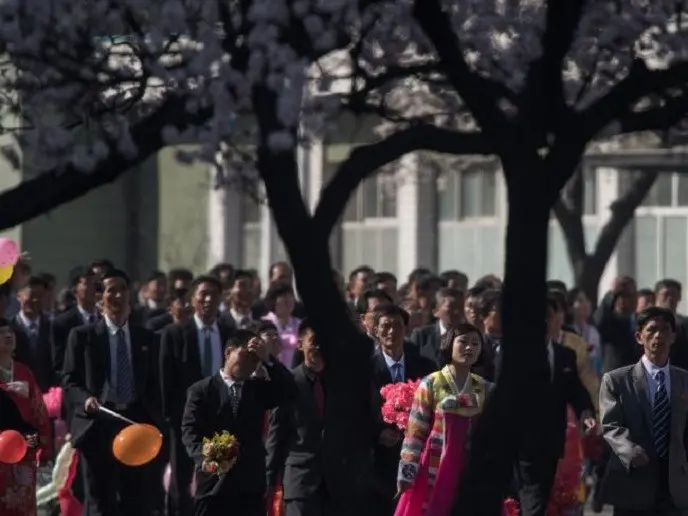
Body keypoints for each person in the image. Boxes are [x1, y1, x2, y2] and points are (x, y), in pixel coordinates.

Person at [62, 268, 161, 516]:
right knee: (99, 500)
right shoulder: (82, 336)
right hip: (98, 424)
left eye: (123, 289)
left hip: (135, 424)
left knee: (137, 499)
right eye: (110, 290)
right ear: (99, 298)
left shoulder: (146, 339)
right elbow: (70, 380)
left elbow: (155, 384)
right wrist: (86, 400)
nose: (117, 295)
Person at [181, 329, 297, 516]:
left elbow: (289, 391)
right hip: (213, 485)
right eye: (247, 355)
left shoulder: (256, 390)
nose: (251, 363)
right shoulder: (202, 390)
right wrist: (205, 457)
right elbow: (189, 431)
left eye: (255, 359)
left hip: (249, 485)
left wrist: (268, 359)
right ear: (229, 352)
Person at [599, 306, 688, 515]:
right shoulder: (617, 380)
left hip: (675, 483)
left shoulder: (684, 380)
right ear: (640, 337)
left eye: (665, 329)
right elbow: (611, 425)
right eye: (652, 330)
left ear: (674, 336)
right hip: (634, 480)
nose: (659, 335)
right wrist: (630, 451)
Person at [394, 323, 490, 516]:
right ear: (449, 344)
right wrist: (407, 471)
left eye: (475, 343)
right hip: (434, 466)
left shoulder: (485, 388)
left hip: (471, 467)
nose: (469, 347)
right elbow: (415, 432)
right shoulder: (431, 383)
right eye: (463, 342)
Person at [160, 274, 235, 516]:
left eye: (214, 294)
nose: (208, 299)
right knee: (181, 480)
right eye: (203, 294)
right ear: (192, 299)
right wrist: (173, 419)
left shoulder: (228, 332)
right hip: (186, 419)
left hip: (221, 417)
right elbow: (166, 382)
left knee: (219, 478)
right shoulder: (174, 334)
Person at [515, 295, 597, 516]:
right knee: (529, 498)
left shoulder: (565, 355)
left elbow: (577, 392)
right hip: (518, 440)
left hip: (551, 440)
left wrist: (587, 413)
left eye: (548, 317)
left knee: (539, 495)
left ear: (556, 320)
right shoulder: (512, 354)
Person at [371, 304, 435, 515]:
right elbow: (355, 412)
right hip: (377, 459)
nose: (391, 331)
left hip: (417, 455)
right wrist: (377, 433)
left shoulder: (426, 366)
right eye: (385, 326)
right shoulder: (365, 369)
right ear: (375, 331)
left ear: (406, 329)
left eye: (397, 325)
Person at [0, 318, 53, 516]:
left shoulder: (23, 372)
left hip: (23, 452)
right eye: (1, 333)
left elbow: (39, 412)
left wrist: (42, 449)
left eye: (10, 332)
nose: (7, 336)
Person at [409, 288, 464, 367]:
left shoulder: (470, 335)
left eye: (460, 308)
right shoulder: (421, 335)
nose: (456, 312)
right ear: (436, 311)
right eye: (451, 308)